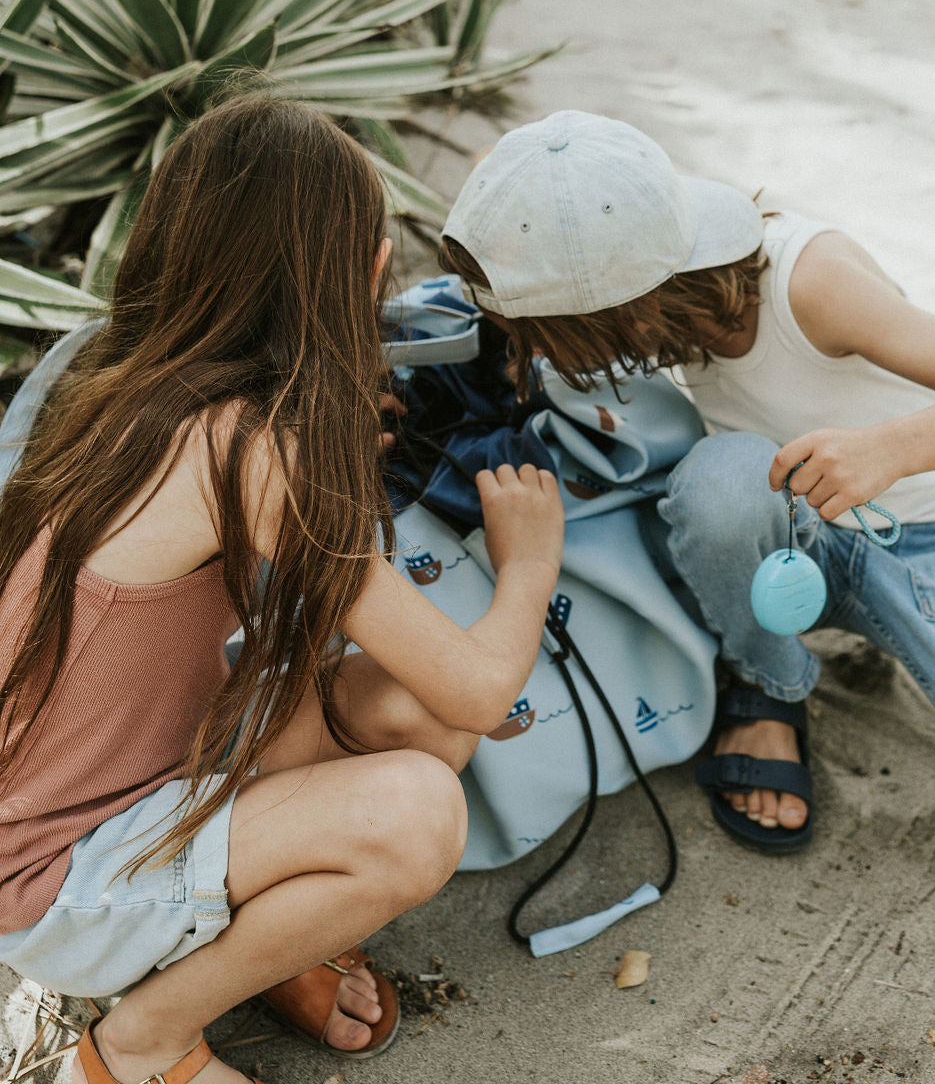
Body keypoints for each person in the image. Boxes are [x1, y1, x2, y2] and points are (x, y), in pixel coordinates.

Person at [0, 96, 564, 1084]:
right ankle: (140, 1046)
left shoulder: (107, 369)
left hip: (83, 780)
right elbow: (478, 687)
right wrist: (529, 561)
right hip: (48, 878)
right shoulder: (254, 449)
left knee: (401, 709)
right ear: (352, 273)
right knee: (420, 806)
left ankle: (259, 945)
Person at [438, 109, 935, 853]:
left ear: (619, 309)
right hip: (773, 540)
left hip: (912, 535)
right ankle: (769, 686)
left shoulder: (809, 282)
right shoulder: (643, 268)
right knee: (723, 480)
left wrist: (887, 450)